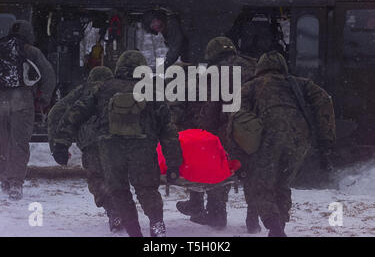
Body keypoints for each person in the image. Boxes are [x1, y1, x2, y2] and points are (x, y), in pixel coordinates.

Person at [53, 50, 183, 237]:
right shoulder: (152, 91)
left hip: (111, 149)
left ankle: (134, 232)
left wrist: (61, 143)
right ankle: (157, 224)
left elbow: (76, 113)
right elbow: (167, 129)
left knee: (119, 191)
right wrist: (173, 162)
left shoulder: (104, 88)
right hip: (143, 148)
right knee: (147, 188)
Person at [236, 51, 335, 236]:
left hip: (267, 136)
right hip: (299, 137)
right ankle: (278, 225)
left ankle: (274, 226)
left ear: (260, 68)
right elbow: (324, 99)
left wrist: (238, 153)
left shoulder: (251, 86)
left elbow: (237, 118)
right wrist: (325, 139)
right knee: (282, 183)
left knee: (262, 185)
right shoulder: (301, 83)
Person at [178, 37, 257, 229]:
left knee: (220, 167)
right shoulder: (253, 67)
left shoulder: (215, 72)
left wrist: (203, 131)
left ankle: (216, 215)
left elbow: (210, 108)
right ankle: (253, 220)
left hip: (228, 128)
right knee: (253, 173)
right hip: (255, 129)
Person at [48, 66, 122, 230]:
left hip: (91, 142)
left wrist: (57, 144)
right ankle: (120, 208)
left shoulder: (82, 91)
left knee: (97, 177)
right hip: (117, 141)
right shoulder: (119, 89)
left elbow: (56, 113)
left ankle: (113, 210)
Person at [0, 20, 56, 200]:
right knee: (19, 143)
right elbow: (49, 76)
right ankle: (15, 183)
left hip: (1, 101)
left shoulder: (1, 48)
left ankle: (4, 180)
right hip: (22, 101)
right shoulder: (31, 51)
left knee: (3, 142)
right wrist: (44, 99)